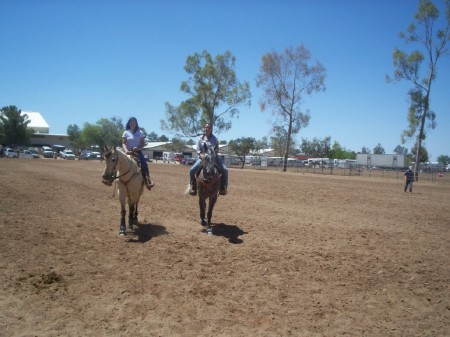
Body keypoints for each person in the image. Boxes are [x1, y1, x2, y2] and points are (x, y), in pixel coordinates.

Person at [189, 123, 228, 196]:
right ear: (204, 128)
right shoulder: (200, 138)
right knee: (192, 170)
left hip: (214, 157)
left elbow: (217, 149)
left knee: (225, 170)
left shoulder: (215, 139)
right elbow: (198, 149)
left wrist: (214, 154)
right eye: (206, 127)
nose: (207, 129)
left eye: (209, 128)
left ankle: (223, 187)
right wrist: (201, 155)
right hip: (203, 158)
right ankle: (192, 187)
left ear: (211, 129)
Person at [122, 117, 155, 190]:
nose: (132, 123)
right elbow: (123, 143)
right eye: (131, 122)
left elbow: (142, 144)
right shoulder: (126, 132)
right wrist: (126, 150)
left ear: (136, 123)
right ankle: (112, 178)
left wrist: (137, 148)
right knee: (119, 162)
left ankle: (148, 181)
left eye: (134, 122)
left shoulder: (140, 132)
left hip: (137, 152)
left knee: (144, 164)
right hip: (128, 152)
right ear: (129, 123)